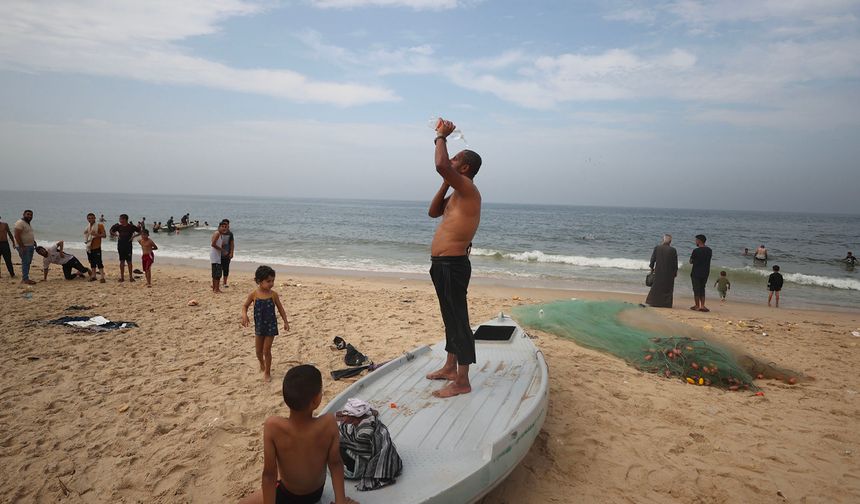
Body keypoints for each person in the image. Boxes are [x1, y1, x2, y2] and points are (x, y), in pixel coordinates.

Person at [238, 365, 357, 504]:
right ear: (315, 401)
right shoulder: (328, 423)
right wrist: (340, 501)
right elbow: (336, 464)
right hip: (314, 495)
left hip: (288, 495)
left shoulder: (273, 427)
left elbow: (269, 474)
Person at [425, 118, 483, 399]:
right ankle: (450, 367)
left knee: (459, 320)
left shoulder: (470, 191)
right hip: (441, 265)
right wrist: (445, 183)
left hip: (454, 265)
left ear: (465, 167)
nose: (451, 158)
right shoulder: (456, 195)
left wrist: (441, 136)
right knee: (449, 318)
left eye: (456, 158)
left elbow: (440, 164)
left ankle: (462, 380)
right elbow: (433, 211)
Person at [241, 265, 290, 382]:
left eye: (273, 280)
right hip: (259, 326)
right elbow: (245, 306)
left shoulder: (273, 295)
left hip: (271, 327)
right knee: (258, 352)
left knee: (266, 351)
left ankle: (267, 372)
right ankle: (261, 363)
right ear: (259, 281)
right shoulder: (254, 294)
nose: (271, 283)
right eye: (268, 281)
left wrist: (285, 321)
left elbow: (281, 309)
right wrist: (244, 315)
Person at [645, 234, 678, 308]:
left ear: (663, 240)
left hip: (658, 270)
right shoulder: (673, 250)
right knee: (668, 288)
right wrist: (675, 272)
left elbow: (653, 259)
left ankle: (653, 302)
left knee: (656, 287)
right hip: (669, 272)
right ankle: (666, 303)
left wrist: (651, 268)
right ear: (670, 242)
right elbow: (675, 262)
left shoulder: (657, 248)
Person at [110, 214, 140, 282]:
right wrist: (116, 235)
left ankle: (131, 277)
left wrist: (133, 237)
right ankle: (122, 277)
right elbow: (111, 231)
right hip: (120, 245)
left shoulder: (131, 227)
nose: (120, 220)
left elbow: (140, 232)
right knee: (122, 261)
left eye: (121, 219)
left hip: (128, 246)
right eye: (120, 219)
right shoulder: (118, 226)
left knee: (129, 261)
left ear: (125, 219)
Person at [689, 234, 713, 312]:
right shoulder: (709, 250)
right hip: (705, 272)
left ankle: (697, 305)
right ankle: (702, 305)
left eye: (696, 240)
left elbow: (691, 261)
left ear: (699, 241)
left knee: (696, 289)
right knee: (702, 288)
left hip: (696, 272)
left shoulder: (696, 251)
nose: (695, 241)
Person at [14, 209, 37, 285]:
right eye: (28, 214)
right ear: (23, 214)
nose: (30, 216)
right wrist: (22, 246)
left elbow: (27, 234)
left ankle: (25, 278)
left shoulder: (27, 223)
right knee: (25, 262)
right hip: (24, 246)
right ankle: (25, 279)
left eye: (31, 215)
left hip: (29, 246)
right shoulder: (20, 223)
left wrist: (33, 242)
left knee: (28, 262)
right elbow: (16, 235)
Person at [84, 212, 107, 283]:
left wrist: (96, 234)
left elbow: (104, 235)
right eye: (89, 218)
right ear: (87, 219)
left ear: (95, 218)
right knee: (92, 262)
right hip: (89, 247)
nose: (90, 219)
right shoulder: (87, 227)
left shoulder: (100, 225)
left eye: (92, 218)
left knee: (99, 262)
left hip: (97, 247)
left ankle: (102, 277)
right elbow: (86, 235)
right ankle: (93, 276)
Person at [210, 221, 228, 293]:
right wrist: (222, 250)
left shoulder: (219, 234)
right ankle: (216, 289)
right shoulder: (217, 233)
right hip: (215, 256)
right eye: (222, 226)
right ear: (219, 227)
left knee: (215, 273)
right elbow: (213, 244)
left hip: (215, 256)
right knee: (217, 274)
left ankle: (215, 288)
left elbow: (215, 243)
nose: (224, 228)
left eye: (225, 227)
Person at [221, 219, 235, 288]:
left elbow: (232, 244)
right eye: (224, 225)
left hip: (227, 254)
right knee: (218, 269)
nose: (225, 226)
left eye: (227, 225)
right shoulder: (218, 232)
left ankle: (224, 282)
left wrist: (232, 253)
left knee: (226, 269)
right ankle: (216, 282)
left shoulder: (230, 234)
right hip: (218, 254)